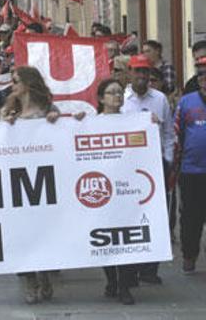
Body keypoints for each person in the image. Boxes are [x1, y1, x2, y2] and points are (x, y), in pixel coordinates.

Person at [0, 66, 65, 304]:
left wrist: (56, 122)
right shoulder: (8, 110)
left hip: (43, 180)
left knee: (42, 232)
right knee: (22, 234)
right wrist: (4, 126)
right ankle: (30, 280)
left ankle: (45, 274)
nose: (12, 85)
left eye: (15, 81)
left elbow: (62, 138)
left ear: (28, 84)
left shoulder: (49, 110)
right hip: (16, 181)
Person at [123, 54, 175, 283]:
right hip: (126, 168)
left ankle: (150, 269)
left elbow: (168, 133)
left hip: (155, 167)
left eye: (145, 72)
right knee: (129, 217)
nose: (142, 76)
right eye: (137, 71)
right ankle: (130, 268)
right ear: (130, 72)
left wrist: (167, 159)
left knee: (154, 216)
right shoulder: (121, 98)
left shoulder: (160, 99)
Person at [95, 78, 138, 305]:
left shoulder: (132, 121)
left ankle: (124, 285)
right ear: (101, 98)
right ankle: (111, 279)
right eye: (111, 93)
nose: (117, 97)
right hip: (103, 189)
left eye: (120, 93)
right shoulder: (93, 123)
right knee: (106, 238)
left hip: (127, 188)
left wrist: (150, 124)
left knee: (128, 239)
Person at [172, 56, 206, 274]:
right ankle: (190, 254)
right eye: (201, 74)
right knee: (191, 216)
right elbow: (176, 135)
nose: (205, 78)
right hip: (192, 171)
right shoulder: (186, 102)